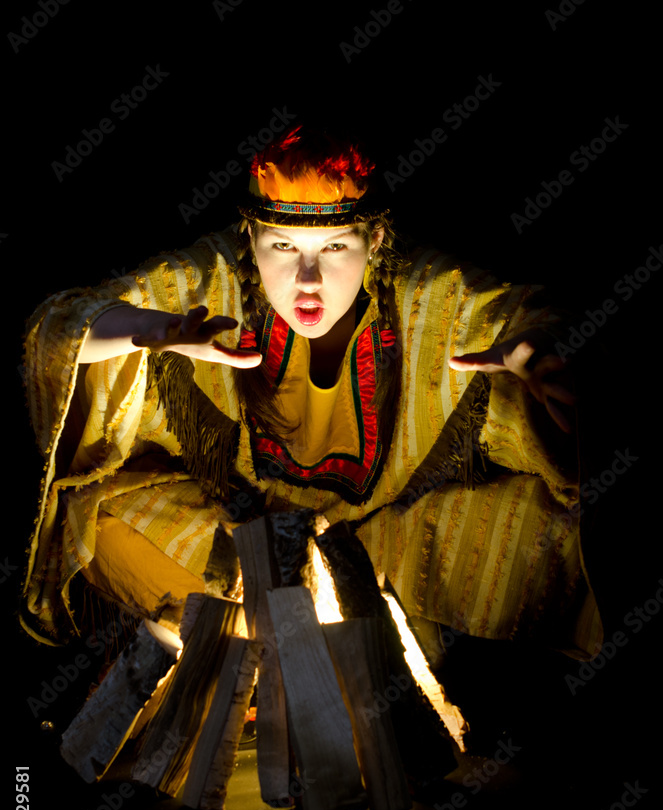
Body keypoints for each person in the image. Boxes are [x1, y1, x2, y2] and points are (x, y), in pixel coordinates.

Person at [21, 124, 602, 742]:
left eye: (334, 248)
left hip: (383, 541)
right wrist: (144, 330)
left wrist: (545, 355)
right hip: (238, 534)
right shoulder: (212, 282)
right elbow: (60, 324)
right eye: (281, 246)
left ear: (375, 240)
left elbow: (530, 316)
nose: (307, 278)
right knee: (99, 511)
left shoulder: (427, 296)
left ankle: (322, 642)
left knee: (553, 528)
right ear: (249, 237)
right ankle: (303, 646)